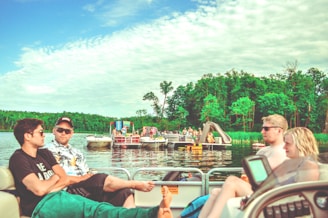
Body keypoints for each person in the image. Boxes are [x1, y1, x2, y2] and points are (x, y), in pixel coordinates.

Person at [9, 118, 173, 218]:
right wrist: (55, 179)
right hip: (41, 206)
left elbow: (64, 178)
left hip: (59, 194)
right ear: (27, 136)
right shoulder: (18, 158)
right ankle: (152, 214)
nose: (44, 135)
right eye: (40, 132)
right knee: (94, 210)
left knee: (102, 208)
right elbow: (38, 190)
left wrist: (52, 185)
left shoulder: (44, 154)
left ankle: (152, 213)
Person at [199, 126, 319, 218]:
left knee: (232, 181)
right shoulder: (295, 163)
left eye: (287, 144)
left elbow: (302, 199)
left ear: (300, 145)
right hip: (270, 196)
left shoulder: (308, 165)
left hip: (275, 202)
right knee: (216, 192)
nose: (284, 147)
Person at [45, 117, 155, 208]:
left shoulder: (77, 153)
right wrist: (85, 178)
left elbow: (86, 173)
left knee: (124, 193)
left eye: (67, 131)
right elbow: (53, 178)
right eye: (60, 130)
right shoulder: (46, 152)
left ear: (71, 133)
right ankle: (134, 184)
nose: (63, 133)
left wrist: (88, 177)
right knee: (99, 178)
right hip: (67, 189)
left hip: (85, 189)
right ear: (54, 131)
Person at [199, 114, 289, 218]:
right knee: (215, 192)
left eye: (266, 129)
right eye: (262, 128)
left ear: (279, 131)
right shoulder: (263, 151)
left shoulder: (284, 152)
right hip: (256, 190)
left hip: (269, 195)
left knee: (232, 181)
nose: (262, 132)